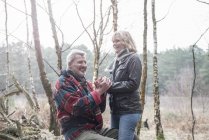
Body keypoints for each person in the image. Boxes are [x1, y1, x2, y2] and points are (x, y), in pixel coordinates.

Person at [53, 49, 118, 140]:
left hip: (94, 129)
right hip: (76, 132)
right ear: (70, 64)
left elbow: (99, 109)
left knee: (130, 136)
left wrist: (102, 92)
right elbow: (76, 108)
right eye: (80, 62)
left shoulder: (86, 83)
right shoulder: (63, 83)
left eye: (85, 62)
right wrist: (98, 92)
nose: (84, 65)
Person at [107, 30, 142, 140]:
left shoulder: (134, 58)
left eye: (117, 41)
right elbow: (114, 81)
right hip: (115, 110)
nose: (114, 44)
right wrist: (104, 83)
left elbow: (133, 84)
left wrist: (109, 86)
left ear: (126, 41)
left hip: (129, 110)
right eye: (113, 41)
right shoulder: (116, 60)